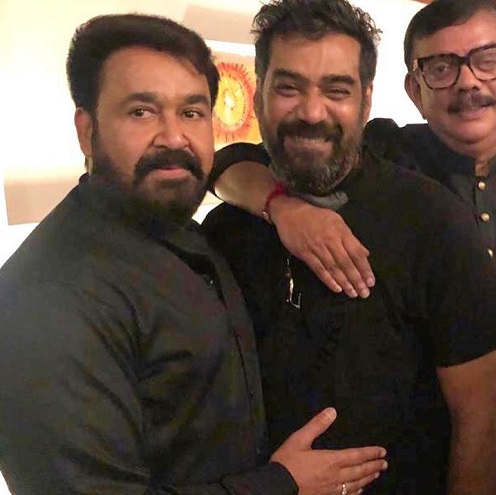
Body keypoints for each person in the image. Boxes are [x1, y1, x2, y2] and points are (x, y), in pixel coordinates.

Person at [209, 0, 496, 494]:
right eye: (441, 67)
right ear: (413, 90)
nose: (468, 82)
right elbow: (229, 160)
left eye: (488, 60)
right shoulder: (382, 154)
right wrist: (281, 206)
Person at [0, 13, 390, 495]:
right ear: (87, 130)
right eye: (141, 112)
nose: (173, 137)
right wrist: (282, 484)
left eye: (191, 112)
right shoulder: (46, 297)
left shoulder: (189, 234)